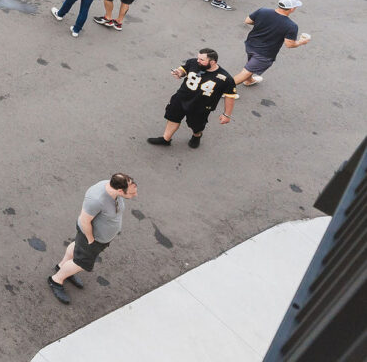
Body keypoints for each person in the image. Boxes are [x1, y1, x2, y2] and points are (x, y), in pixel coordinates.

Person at [47, 173, 137, 304]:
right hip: (92, 238)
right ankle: (56, 280)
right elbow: (84, 221)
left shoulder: (114, 186)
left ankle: (62, 266)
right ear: (119, 190)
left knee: (77, 246)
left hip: (98, 238)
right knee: (81, 263)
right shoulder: (97, 199)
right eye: (131, 194)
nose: (135, 195)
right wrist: (90, 239)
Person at [146, 49, 237, 149]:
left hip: (201, 106)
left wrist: (226, 115)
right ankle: (166, 139)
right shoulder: (193, 62)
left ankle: (196, 136)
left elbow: (230, 97)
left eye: (202, 59)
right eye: (198, 58)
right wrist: (179, 73)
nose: (198, 61)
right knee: (173, 117)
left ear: (212, 62)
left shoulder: (225, 78)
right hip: (181, 97)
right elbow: (184, 70)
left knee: (196, 126)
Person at [232, 0, 311, 87]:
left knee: (251, 65)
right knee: (246, 72)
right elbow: (289, 44)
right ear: (292, 9)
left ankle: (249, 80)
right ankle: (224, 89)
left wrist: (262, 24)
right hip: (264, 54)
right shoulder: (291, 26)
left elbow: (248, 21)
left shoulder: (263, 11)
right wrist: (301, 42)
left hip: (250, 44)